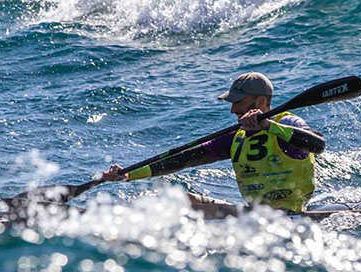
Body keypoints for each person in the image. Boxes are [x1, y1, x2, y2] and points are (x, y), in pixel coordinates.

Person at [102, 72, 326, 213]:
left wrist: (269, 127)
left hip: (291, 214)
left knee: (190, 211)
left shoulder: (285, 122)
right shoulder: (236, 137)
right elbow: (186, 159)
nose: (233, 109)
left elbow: (317, 145)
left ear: (260, 101)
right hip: (257, 214)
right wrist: (130, 174)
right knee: (181, 200)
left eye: (238, 102)